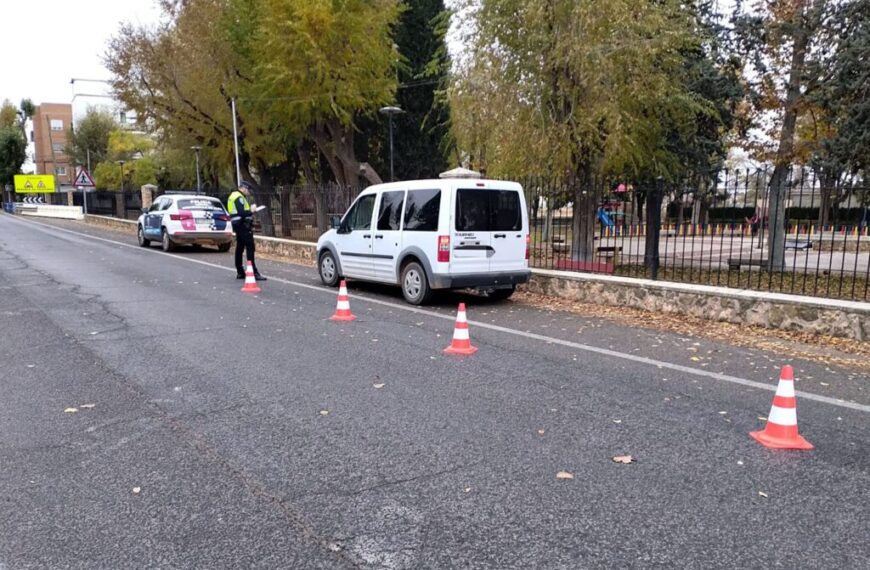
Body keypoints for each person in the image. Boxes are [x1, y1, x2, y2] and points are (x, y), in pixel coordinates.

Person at [227, 181, 266, 281]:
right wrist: (251, 211)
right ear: (243, 188)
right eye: (248, 189)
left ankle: (240, 271)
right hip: (242, 225)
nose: (249, 192)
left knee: (240, 247)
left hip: (237, 224)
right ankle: (253, 272)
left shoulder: (234, 195)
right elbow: (242, 212)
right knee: (250, 246)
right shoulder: (238, 197)